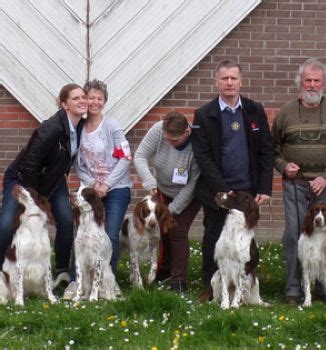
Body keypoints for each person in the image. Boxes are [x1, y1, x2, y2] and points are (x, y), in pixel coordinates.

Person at [191, 59, 274, 300]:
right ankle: (211, 286)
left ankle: (246, 288)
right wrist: (223, 192)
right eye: (224, 78)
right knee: (214, 238)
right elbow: (203, 156)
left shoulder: (254, 110)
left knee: (245, 241)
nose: (229, 82)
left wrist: (264, 187)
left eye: (233, 78)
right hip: (218, 191)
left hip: (248, 191)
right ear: (216, 82)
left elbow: (266, 150)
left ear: (241, 81)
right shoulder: (204, 114)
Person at [271, 58, 326, 305]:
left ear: (324, 83)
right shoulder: (285, 112)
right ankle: (294, 288)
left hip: (324, 187)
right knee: (295, 235)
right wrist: (284, 166)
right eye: (308, 80)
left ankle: (324, 288)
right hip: (295, 185)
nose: (312, 85)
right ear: (299, 82)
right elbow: (273, 148)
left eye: (317, 81)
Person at [0, 83, 87, 282]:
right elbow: (30, 163)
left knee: (65, 221)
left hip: (53, 182)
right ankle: (1, 271)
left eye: (83, 97)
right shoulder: (51, 128)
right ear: (65, 104)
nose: (82, 101)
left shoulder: (82, 126)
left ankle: (62, 272)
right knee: (7, 224)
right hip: (22, 180)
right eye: (75, 98)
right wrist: (35, 199)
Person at [134, 111, 201, 292]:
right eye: (167, 138)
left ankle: (178, 282)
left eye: (175, 140)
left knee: (177, 231)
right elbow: (140, 156)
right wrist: (149, 181)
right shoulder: (158, 131)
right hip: (162, 188)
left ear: (186, 131)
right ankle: (164, 272)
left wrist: (172, 209)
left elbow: (194, 182)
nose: (169, 143)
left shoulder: (197, 143)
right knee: (161, 231)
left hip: (189, 193)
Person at [73, 79, 132, 274]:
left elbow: (125, 158)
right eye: (91, 98)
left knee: (110, 234)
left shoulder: (112, 126)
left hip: (116, 188)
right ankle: (76, 281)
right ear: (85, 100)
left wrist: (106, 184)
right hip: (90, 190)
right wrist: (92, 184)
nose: (95, 102)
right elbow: (77, 163)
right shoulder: (78, 127)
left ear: (105, 101)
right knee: (82, 233)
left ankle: (108, 279)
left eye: (100, 98)